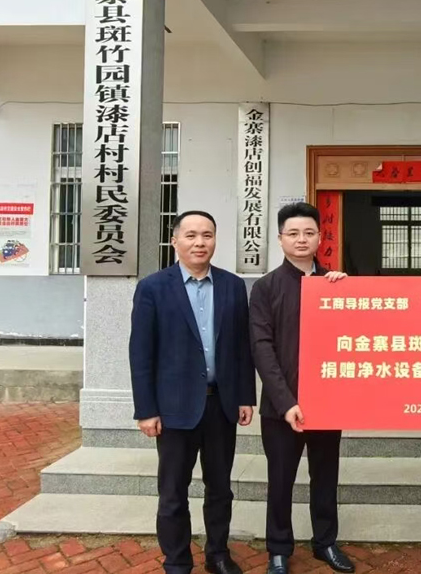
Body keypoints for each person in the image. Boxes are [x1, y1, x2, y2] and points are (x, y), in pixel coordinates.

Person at [129, 211, 255, 574]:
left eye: (207, 235)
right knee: (173, 493)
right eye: (191, 235)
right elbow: (141, 352)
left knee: (221, 489)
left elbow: (241, 346)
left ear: (215, 240)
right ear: (175, 241)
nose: (200, 242)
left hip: (221, 406)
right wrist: (145, 409)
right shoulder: (153, 287)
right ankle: (177, 561)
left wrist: (245, 396)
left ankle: (218, 554)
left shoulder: (233, 286)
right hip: (173, 409)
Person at [250, 202, 354, 574]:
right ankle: (278, 549)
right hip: (282, 408)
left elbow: (353, 338)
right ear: (280, 239)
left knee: (325, 476)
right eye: (293, 233)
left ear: (320, 238)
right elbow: (261, 348)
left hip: (326, 403)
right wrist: (285, 402)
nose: (301, 239)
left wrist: (346, 295)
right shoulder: (265, 288)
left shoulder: (335, 285)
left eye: (309, 233)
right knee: (280, 480)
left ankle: (325, 542)